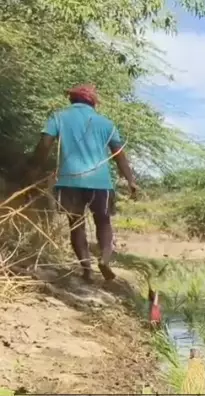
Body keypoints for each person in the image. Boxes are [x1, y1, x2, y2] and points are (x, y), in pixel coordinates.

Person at [30, 84, 138, 282]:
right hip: (101, 183)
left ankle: (87, 269)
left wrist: (34, 169)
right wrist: (131, 180)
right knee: (104, 222)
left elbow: (44, 145)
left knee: (76, 224)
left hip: (70, 181)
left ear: (71, 100)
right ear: (93, 103)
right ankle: (104, 259)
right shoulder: (106, 123)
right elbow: (118, 155)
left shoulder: (59, 117)